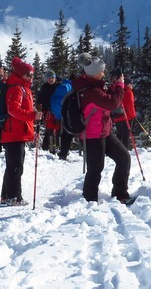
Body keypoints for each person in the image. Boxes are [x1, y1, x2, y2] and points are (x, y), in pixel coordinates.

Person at [74, 52, 131, 204]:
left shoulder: (94, 86)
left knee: (124, 158)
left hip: (104, 132)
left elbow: (108, 100)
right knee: (95, 169)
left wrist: (113, 86)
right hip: (92, 135)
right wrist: (119, 85)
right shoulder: (91, 90)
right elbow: (113, 103)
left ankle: (120, 193)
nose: (104, 73)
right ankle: (89, 200)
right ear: (95, 73)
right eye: (102, 71)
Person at [0, 57, 39, 205]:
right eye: (28, 74)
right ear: (21, 74)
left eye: (32, 74)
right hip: (14, 132)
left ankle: (6, 196)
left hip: (16, 132)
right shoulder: (17, 87)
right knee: (16, 166)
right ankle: (13, 197)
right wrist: (32, 115)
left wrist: (33, 113)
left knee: (12, 165)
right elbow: (13, 109)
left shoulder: (22, 87)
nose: (31, 77)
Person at [35, 71, 60, 151]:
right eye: (49, 78)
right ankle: (47, 147)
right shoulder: (45, 87)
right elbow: (40, 98)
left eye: (52, 78)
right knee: (49, 129)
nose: (50, 80)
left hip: (58, 111)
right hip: (48, 111)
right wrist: (39, 106)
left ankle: (58, 147)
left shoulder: (59, 85)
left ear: (55, 78)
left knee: (58, 129)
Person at [112, 77, 137, 150]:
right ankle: (124, 152)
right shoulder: (129, 92)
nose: (132, 85)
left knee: (119, 135)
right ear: (127, 84)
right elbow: (130, 105)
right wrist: (133, 115)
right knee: (126, 136)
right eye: (131, 83)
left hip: (117, 117)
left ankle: (117, 150)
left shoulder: (118, 91)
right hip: (127, 117)